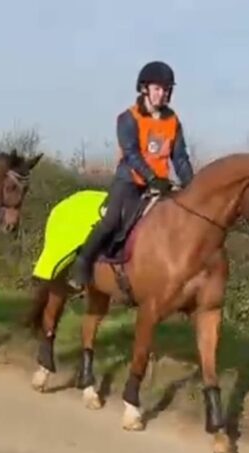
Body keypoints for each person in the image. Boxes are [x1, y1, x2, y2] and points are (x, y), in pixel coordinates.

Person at [68, 60, 195, 290]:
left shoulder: (173, 121)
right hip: (130, 181)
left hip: (162, 185)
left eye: (166, 90)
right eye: (158, 89)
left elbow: (180, 158)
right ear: (144, 89)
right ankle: (83, 262)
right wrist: (152, 178)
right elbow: (131, 154)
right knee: (111, 221)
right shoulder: (128, 118)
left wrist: (192, 186)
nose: (162, 94)